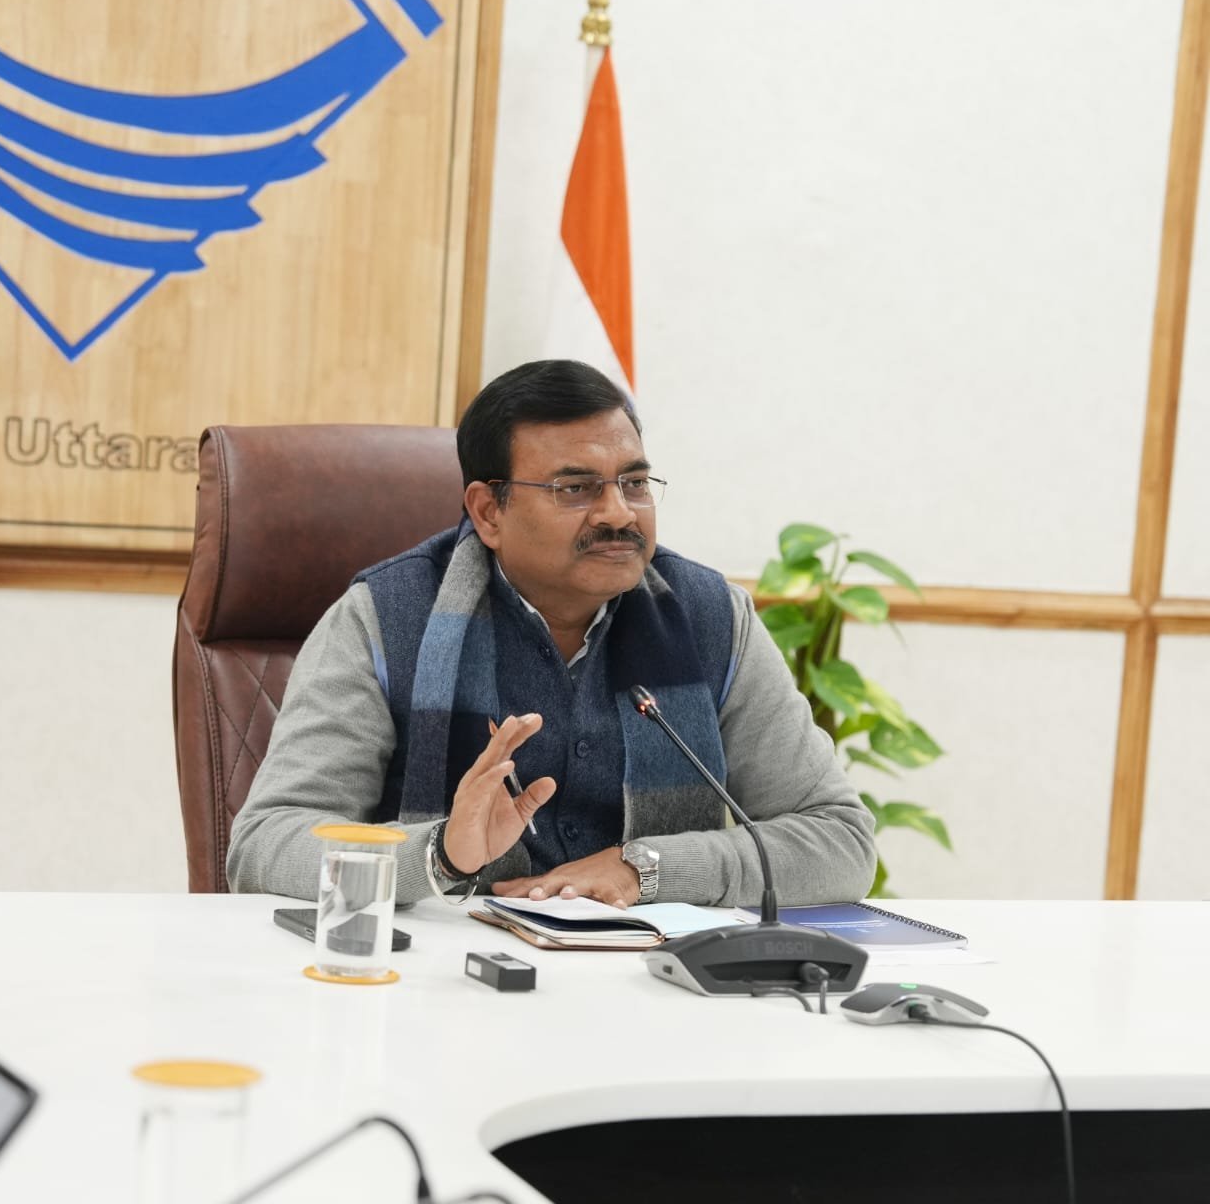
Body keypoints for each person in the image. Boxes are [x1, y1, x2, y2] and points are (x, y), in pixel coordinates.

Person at [227, 360, 876, 908]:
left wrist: (643, 869)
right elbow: (265, 844)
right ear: (489, 512)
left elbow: (840, 841)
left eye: (634, 483)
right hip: (438, 986)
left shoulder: (710, 619)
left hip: (647, 983)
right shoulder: (385, 617)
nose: (618, 513)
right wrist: (439, 855)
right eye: (576, 488)